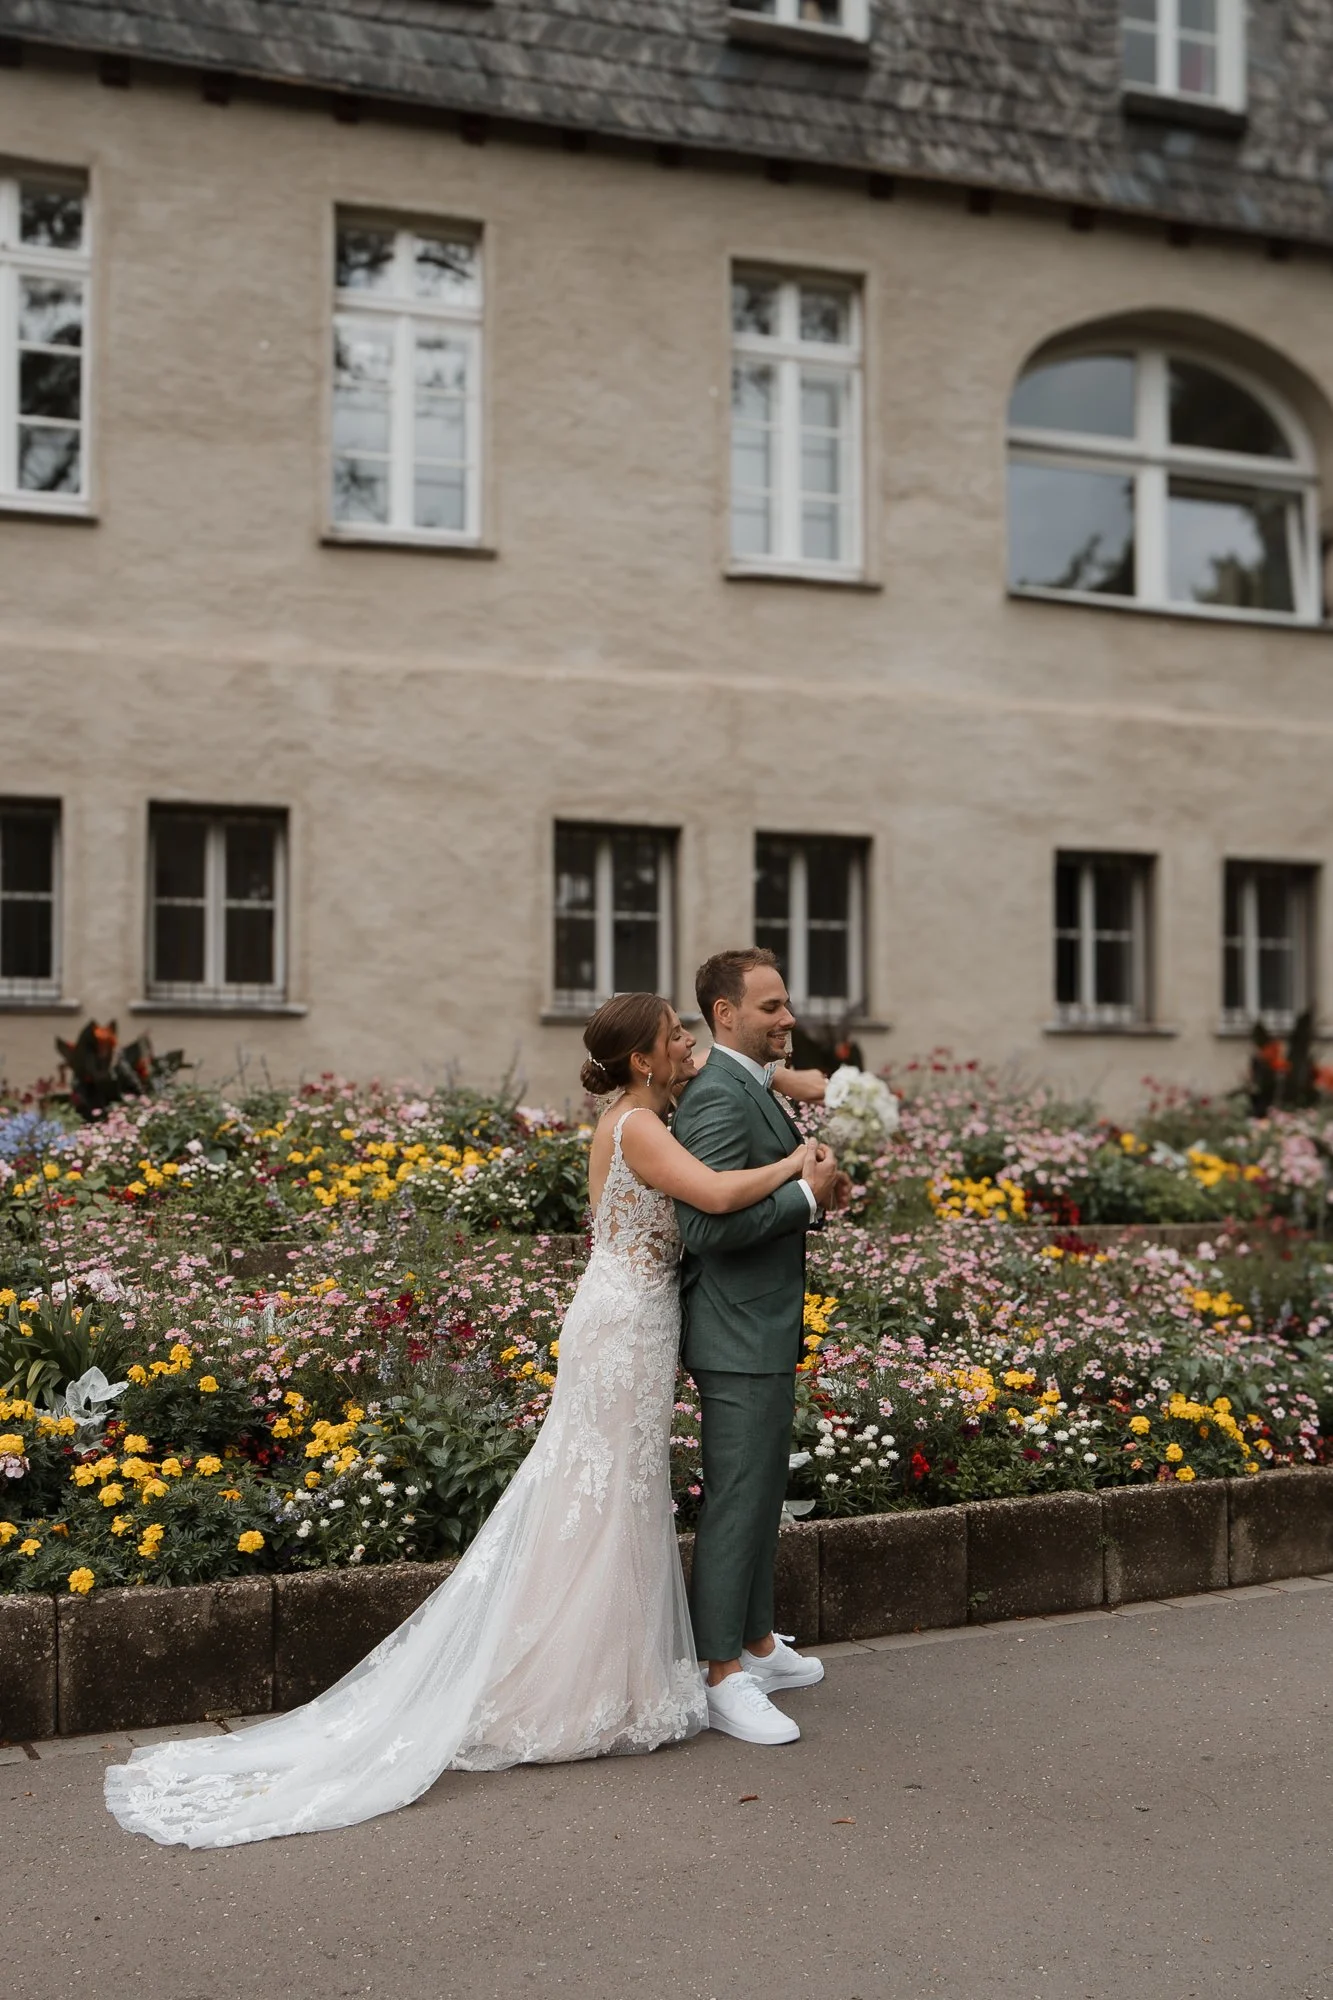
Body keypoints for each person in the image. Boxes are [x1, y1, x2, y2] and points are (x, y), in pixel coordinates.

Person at [103, 991, 835, 1848]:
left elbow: (751, 1069)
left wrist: (788, 1081)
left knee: (617, 1492)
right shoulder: (637, 1127)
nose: (689, 1046)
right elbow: (710, 1196)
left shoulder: (648, 1110)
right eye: (675, 1036)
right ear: (642, 1058)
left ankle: (613, 1672)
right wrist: (798, 1173)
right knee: (593, 1491)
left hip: (635, 1316)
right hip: (622, 1323)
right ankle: (569, 1684)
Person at [673, 947, 851, 1747]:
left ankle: (754, 1643)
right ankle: (719, 1675)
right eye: (771, 1007)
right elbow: (705, 1226)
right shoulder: (716, 1095)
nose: (788, 1019)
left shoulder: (748, 1082)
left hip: (759, 1323)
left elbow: (767, 1186)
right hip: (733, 1328)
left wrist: (816, 1194)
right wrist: (802, 1198)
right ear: (725, 1015)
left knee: (760, 1495)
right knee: (738, 1502)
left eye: (785, 1004)